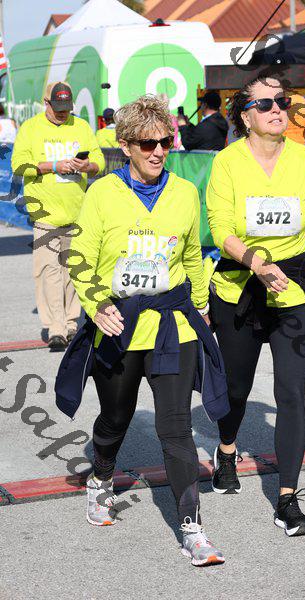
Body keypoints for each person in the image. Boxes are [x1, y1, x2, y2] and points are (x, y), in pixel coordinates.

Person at [55, 95, 228, 566]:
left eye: (165, 142)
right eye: (148, 143)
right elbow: (80, 259)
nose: (158, 151)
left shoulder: (185, 193)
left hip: (172, 324)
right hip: (120, 323)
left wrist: (200, 306)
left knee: (176, 428)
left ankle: (193, 529)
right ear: (126, 145)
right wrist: (97, 304)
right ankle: (101, 476)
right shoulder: (102, 194)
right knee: (116, 417)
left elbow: (192, 255)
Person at [206, 75, 305, 537]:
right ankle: (227, 449)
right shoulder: (227, 162)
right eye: (265, 104)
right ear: (246, 116)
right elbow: (221, 229)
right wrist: (257, 263)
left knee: (291, 392)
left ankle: (287, 499)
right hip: (240, 286)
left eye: (281, 101)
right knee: (236, 388)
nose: (277, 109)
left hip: (293, 288)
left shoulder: (302, 158)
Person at [11, 81, 104, 349]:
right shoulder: (30, 129)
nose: (63, 113)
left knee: (72, 271)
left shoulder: (81, 127)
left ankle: (71, 322)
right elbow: (19, 165)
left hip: (77, 212)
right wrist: (53, 166)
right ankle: (56, 327)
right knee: (48, 270)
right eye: (58, 108)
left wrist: (87, 165)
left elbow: (99, 162)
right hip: (45, 214)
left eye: (67, 108)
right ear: (46, 103)